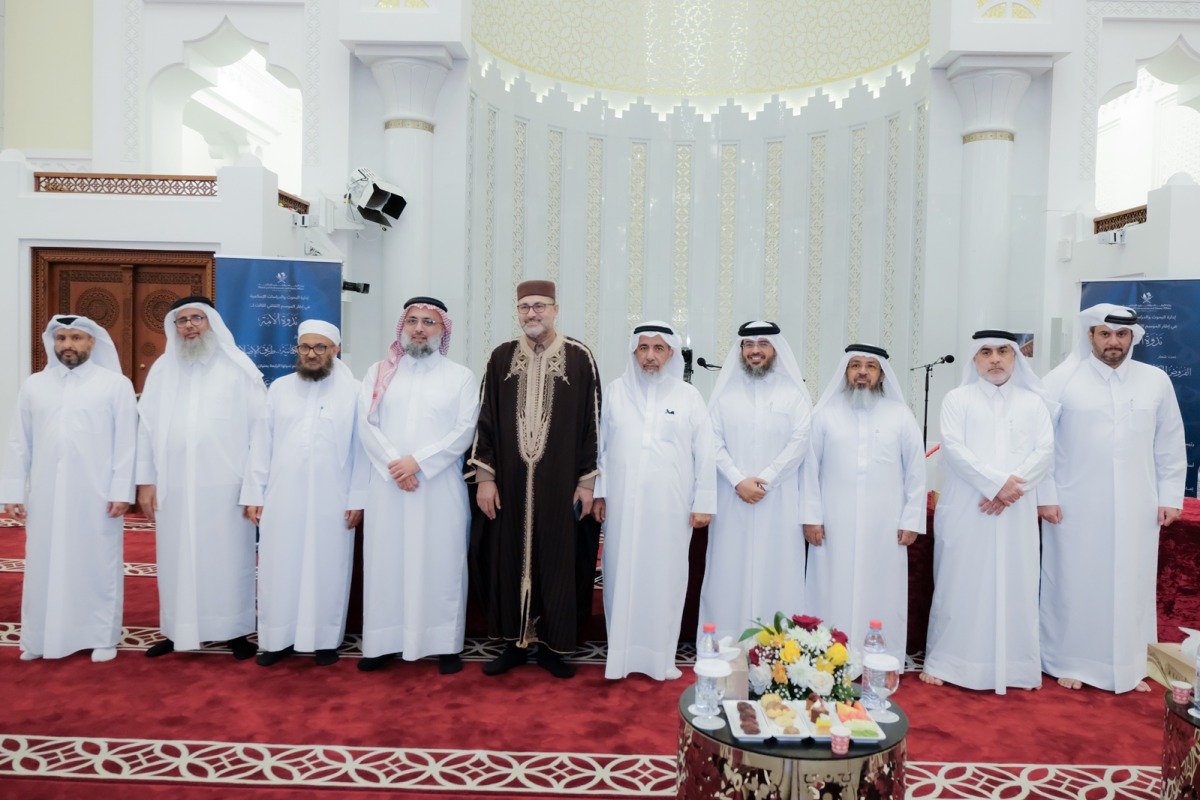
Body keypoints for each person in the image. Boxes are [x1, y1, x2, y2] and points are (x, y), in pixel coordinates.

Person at [1038, 304, 1186, 693]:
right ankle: (1068, 660)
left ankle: (1130, 665)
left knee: (1131, 584)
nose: (1113, 342)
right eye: (1105, 334)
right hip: (1074, 505)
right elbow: (1041, 446)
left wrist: (1170, 496)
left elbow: (1169, 442)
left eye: (1121, 335)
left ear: (1133, 338)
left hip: (1138, 504)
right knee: (1074, 581)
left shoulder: (1155, 380)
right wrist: (1045, 495)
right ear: (1090, 336)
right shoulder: (1061, 381)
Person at [467, 279, 602, 679]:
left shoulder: (580, 357)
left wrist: (587, 482)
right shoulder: (500, 356)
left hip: (562, 482)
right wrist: (486, 478)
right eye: (525, 307)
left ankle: (554, 646)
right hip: (507, 481)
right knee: (506, 556)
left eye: (540, 306)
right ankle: (512, 642)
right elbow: (486, 419)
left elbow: (592, 424)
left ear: (555, 310)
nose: (532, 313)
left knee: (559, 558)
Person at [922, 330, 1055, 694]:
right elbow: (953, 447)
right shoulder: (957, 399)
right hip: (969, 507)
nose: (995, 359)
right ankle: (951, 662)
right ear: (974, 360)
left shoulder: (1033, 402)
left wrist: (1009, 488)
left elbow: (1044, 452)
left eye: (1002, 352)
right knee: (961, 582)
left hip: (1015, 508)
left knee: (1017, 582)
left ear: (1015, 358)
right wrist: (997, 484)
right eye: (986, 352)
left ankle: (1015, 667)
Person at [136, 296, 266, 660]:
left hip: (225, 484)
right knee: (175, 558)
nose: (189, 325)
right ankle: (177, 631)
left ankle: (235, 631)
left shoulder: (238, 368)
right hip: (174, 484)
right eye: (182, 321)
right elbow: (145, 428)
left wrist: (254, 486)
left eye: (197, 318)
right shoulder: (163, 369)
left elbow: (261, 431)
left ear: (211, 323)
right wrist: (146, 481)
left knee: (228, 558)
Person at [1, 315, 137, 662]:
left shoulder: (114, 385)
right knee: (43, 563)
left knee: (97, 562)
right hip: (46, 494)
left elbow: (127, 442)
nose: (68, 345)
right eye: (61, 338)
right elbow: (19, 442)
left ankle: (101, 637)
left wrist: (122, 490)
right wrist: (14, 492)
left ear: (92, 343)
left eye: (76, 338)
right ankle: (39, 638)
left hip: (96, 495)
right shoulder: (35, 385)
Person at [357, 297, 479, 674]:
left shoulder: (460, 376)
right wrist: (398, 465)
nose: (420, 328)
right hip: (388, 486)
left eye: (429, 322)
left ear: (442, 330)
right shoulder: (379, 372)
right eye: (413, 321)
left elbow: (465, 430)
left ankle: (444, 643)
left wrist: (419, 463)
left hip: (439, 488)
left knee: (441, 562)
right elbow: (366, 425)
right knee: (386, 563)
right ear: (402, 327)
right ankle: (381, 642)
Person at [241, 320, 368, 667]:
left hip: (334, 497)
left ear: (335, 350)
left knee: (328, 566)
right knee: (278, 566)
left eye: (320, 348)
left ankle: (325, 640)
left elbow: (362, 450)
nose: (312, 354)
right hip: (283, 496)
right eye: (305, 347)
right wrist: (255, 493)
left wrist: (358, 499)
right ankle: (277, 639)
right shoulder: (280, 389)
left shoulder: (354, 391)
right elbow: (261, 444)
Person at [594, 322, 717, 680]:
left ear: (671, 354)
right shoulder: (615, 393)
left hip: (671, 507)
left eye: (658, 348)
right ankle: (621, 657)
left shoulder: (688, 398)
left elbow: (705, 454)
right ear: (634, 353)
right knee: (620, 576)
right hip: (622, 507)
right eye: (643, 348)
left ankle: (659, 659)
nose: (650, 356)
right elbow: (599, 448)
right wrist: (600, 493)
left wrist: (703, 501)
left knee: (666, 578)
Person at [802, 344, 926, 666]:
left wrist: (911, 519)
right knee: (830, 587)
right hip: (833, 523)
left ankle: (877, 662)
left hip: (883, 525)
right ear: (845, 371)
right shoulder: (825, 415)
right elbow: (809, 470)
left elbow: (916, 471)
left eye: (870, 366)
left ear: (881, 374)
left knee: (882, 590)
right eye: (855, 365)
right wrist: (811, 517)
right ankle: (826, 658)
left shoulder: (900, 415)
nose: (862, 372)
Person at [696, 321, 810, 644]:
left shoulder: (794, 395)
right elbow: (712, 442)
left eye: (763, 344)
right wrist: (737, 480)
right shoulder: (725, 395)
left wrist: (766, 480)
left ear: (775, 349)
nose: (755, 350)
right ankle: (724, 646)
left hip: (779, 501)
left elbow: (801, 441)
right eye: (748, 344)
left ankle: (778, 649)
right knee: (728, 572)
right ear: (741, 351)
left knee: (779, 571)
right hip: (733, 500)